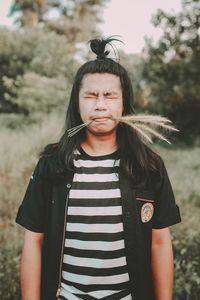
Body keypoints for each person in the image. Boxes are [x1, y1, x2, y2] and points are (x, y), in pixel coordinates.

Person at [16, 37, 181, 300]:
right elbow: (33, 241)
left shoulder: (148, 166)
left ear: (124, 103)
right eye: (91, 95)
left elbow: (160, 243)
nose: (100, 105)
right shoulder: (52, 163)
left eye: (110, 96)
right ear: (77, 102)